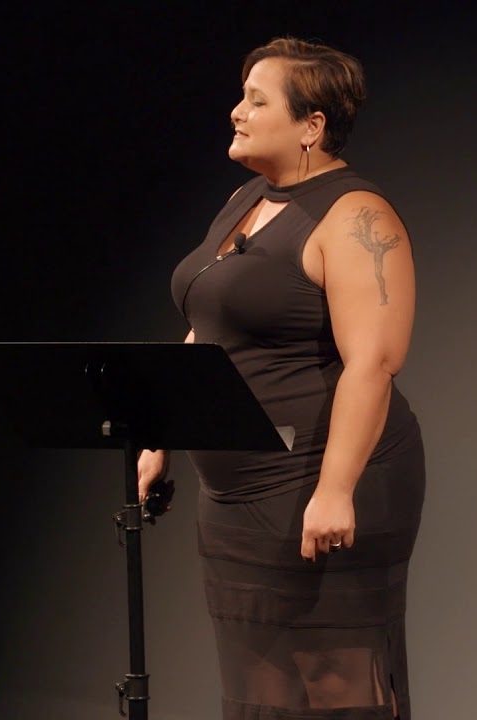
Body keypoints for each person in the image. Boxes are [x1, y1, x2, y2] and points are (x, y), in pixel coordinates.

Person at [138, 36, 425, 720]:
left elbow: (374, 362)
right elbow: (210, 329)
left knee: (335, 684)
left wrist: (336, 489)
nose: (236, 112)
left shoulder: (355, 215)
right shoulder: (248, 200)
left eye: (256, 100)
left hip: (320, 479)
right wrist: (159, 433)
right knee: (260, 684)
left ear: (311, 125)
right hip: (235, 496)